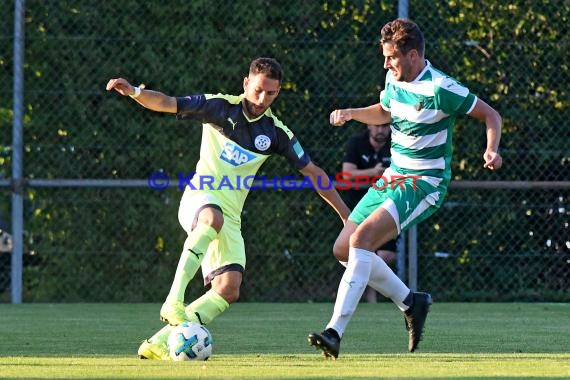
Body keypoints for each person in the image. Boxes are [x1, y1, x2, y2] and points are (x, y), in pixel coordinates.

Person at [106, 57, 350, 360]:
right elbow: (169, 102)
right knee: (212, 217)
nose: (263, 99)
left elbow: (314, 173)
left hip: (229, 217)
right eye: (259, 90)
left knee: (228, 288)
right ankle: (173, 301)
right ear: (246, 83)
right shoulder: (219, 107)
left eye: (271, 94)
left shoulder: (275, 133)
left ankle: (159, 342)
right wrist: (134, 93)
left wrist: (345, 216)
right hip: (200, 198)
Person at [308, 18, 502, 359]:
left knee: (360, 241)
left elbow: (491, 116)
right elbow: (385, 111)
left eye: (391, 58)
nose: (385, 64)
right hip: (393, 176)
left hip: (423, 183)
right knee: (342, 249)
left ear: (413, 55)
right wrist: (353, 113)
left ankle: (334, 331)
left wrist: (491, 149)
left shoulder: (441, 88)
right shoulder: (392, 78)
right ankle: (411, 302)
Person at [341, 123, 399, 303]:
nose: (380, 130)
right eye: (377, 126)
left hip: (386, 208)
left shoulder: (396, 144)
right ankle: (370, 296)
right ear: (369, 125)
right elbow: (347, 173)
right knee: (352, 250)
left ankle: (364, 289)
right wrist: (373, 172)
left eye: (384, 126)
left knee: (386, 255)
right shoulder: (357, 142)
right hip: (359, 206)